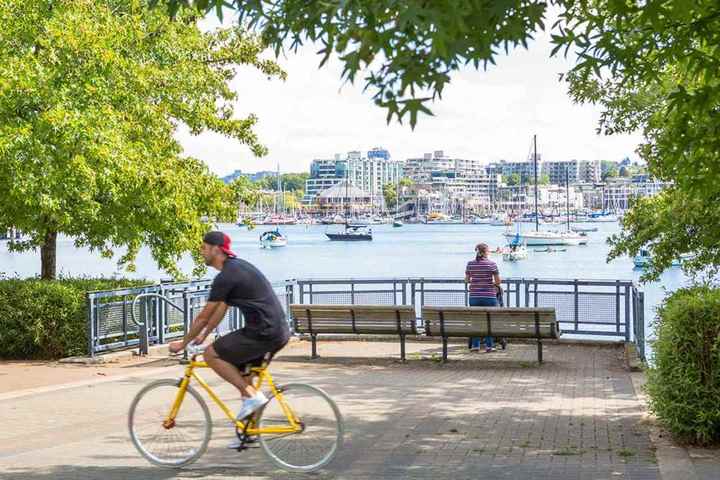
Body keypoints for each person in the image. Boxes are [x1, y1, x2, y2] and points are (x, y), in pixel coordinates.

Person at [169, 231, 290, 444]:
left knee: (211, 355)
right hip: (277, 331)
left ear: (216, 250)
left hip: (262, 332)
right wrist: (204, 335)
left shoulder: (225, 277)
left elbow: (203, 316)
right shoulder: (239, 268)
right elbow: (220, 310)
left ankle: (252, 397)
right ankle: (247, 433)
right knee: (246, 376)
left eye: (204, 248)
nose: (201, 252)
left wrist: (183, 343)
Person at [465, 242, 502, 352]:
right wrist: (493, 284)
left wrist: (476, 282)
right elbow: (498, 281)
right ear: (486, 252)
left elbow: (467, 280)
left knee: (476, 320)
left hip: (474, 296)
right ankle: (489, 346)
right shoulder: (492, 264)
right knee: (489, 321)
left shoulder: (470, 264)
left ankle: (475, 345)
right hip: (489, 297)